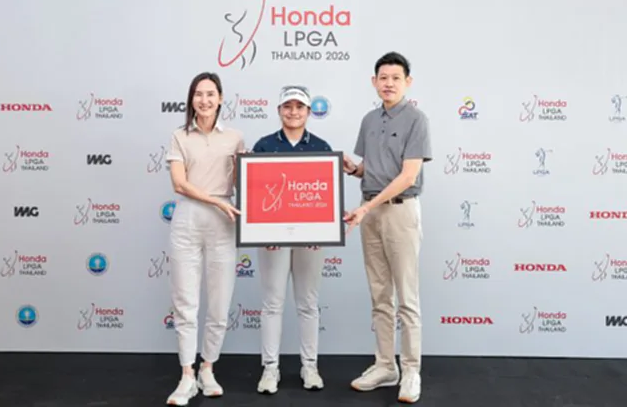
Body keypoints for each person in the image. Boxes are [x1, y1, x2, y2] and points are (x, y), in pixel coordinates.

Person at [343, 52, 432, 404]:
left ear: (407, 82)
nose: (389, 83)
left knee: (407, 298)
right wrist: (354, 170)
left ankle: (410, 371)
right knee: (380, 295)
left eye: (396, 78)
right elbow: (373, 167)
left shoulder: (417, 120)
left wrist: (366, 207)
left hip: (399, 211)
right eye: (383, 77)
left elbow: (408, 176)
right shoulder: (369, 120)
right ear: (374, 81)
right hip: (371, 213)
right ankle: (385, 366)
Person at [165, 72, 245, 406]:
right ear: (191, 99)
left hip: (224, 224)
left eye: (211, 94)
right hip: (188, 219)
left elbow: (247, 184)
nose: (204, 100)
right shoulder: (179, 135)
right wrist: (215, 201)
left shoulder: (235, 138)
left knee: (219, 304)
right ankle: (186, 375)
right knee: (185, 303)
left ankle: (207, 369)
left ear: (221, 98)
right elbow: (179, 184)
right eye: (198, 94)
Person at [251, 85, 332, 394]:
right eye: (288, 106)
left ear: (309, 112)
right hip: (273, 239)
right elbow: (256, 194)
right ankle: (270, 368)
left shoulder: (322, 147)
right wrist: (264, 232)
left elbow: (324, 195)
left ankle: (309, 366)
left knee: (308, 303)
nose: (293, 112)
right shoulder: (264, 146)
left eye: (299, 107)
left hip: (310, 240)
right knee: (272, 303)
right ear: (279, 110)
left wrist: (321, 231)